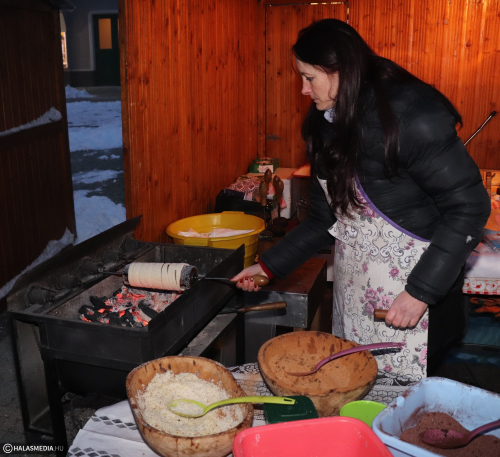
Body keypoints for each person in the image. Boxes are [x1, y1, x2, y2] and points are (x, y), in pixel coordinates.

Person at [232, 19, 491, 401]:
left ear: (340, 70)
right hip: (354, 298)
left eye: (309, 77)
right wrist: (267, 266)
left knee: (406, 410)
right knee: (355, 394)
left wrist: (421, 291)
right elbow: (323, 220)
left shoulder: (410, 116)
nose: (303, 90)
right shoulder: (324, 123)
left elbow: (469, 207)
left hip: (416, 295)